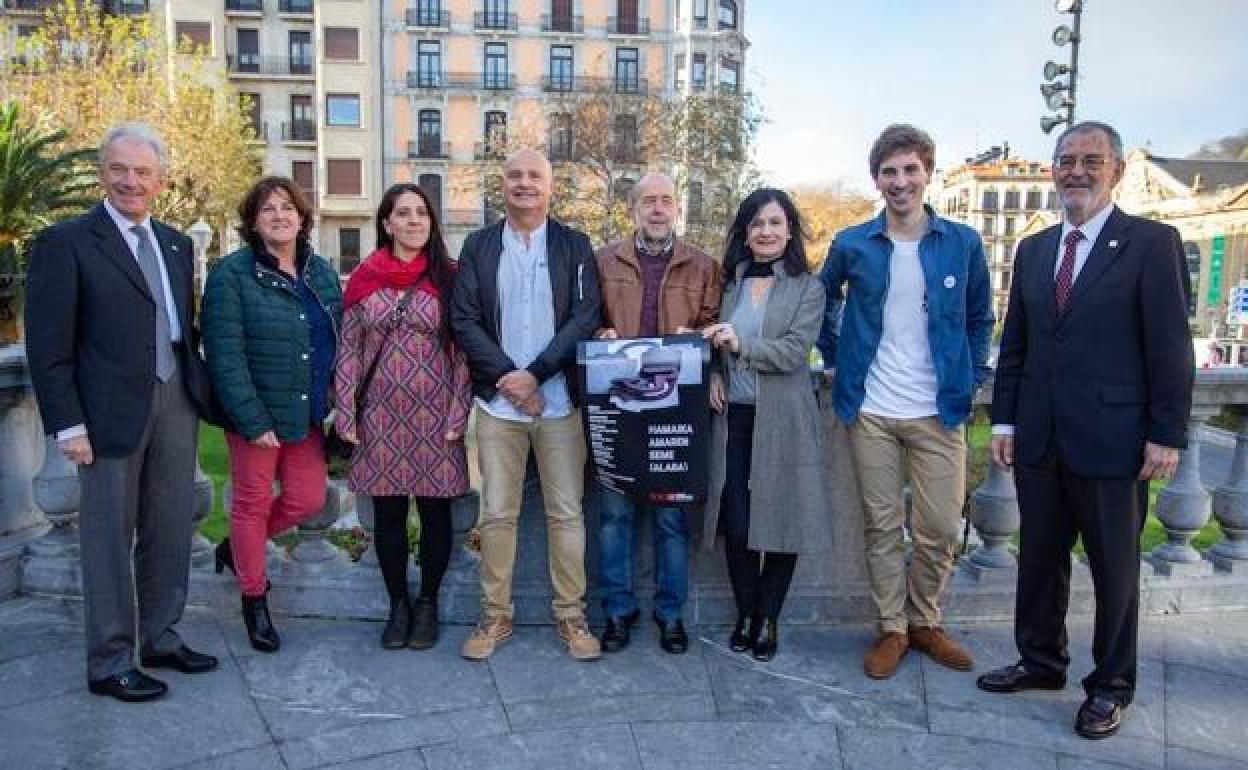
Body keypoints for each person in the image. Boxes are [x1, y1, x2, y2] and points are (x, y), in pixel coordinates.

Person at [977, 121, 1193, 740]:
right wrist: (1008, 419)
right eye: (1065, 159)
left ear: (1116, 170)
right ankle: (1041, 662)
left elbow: (1172, 349)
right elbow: (1014, 346)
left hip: (1115, 440)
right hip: (1040, 438)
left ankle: (1111, 685)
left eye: (1090, 160)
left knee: (1115, 572)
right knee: (1039, 561)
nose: (1076, 170)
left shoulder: (1152, 243)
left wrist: (1167, 434)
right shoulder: (1036, 250)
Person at [25, 122, 219, 702]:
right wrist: (68, 424)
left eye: (142, 172)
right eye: (119, 169)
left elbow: (179, 326)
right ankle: (110, 661)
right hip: (106, 414)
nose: (130, 181)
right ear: (101, 172)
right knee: (109, 538)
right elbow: (49, 344)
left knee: (170, 528)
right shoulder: (67, 243)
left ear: (159, 181)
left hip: (175, 401)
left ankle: (160, 635)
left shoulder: (178, 243)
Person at [816, 124, 993, 680]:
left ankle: (926, 621)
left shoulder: (962, 243)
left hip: (938, 408)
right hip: (870, 407)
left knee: (941, 526)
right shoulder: (852, 244)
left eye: (910, 170)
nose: (900, 181)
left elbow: (980, 316)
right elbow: (820, 304)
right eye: (889, 172)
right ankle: (893, 628)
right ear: (877, 179)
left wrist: (974, 373)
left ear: (927, 174)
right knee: (883, 525)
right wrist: (838, 355)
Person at [450, 148, 603, 661]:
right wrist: (511, 381)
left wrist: (536, 375)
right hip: (498, 407)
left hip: (559, 405)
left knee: (566, 514)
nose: (524, 184)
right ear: (503, 185)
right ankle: (495, 617)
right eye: (514, 175)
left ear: (551, 186)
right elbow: (465, 318)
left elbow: (585, 319)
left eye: (534, 176)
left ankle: (571, 617)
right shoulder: (478, 246)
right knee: (496, 515)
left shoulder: (576, 246)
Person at [201, 176, 343, 654]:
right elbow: (224, 354)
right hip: (255, 417)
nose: (280, 216)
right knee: (250, 504)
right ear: (253, 221)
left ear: (303, 218)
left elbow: (336, 339)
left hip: (305, 414)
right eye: (268, 209)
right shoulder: (231, 274)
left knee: (307, 500)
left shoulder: (320, 272)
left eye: (288, 207)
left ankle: (237, 549)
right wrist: (251, 418)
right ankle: (254, 600)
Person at [334, 183, 471, 650]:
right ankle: (398, 605)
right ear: (387, 223)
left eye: (422, 214)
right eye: (404, 213)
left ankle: (428, 603)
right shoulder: (363, 276)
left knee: (436, 514)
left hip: (436, 416)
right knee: (388, 514)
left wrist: (459, 409)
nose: (414, 221)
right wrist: (345, 410)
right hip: (379, 417)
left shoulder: (450, 277)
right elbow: (349, 347)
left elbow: (463, 353)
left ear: (432, 223)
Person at [593, 172, 722, 654]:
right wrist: (601, 332)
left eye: (666, 200)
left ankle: (671, 615)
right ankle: (618, 612)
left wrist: (709, 362)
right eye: (648, 200)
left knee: (671, 521)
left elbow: (715, 326)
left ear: (677, 209)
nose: (657, 208)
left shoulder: (703, 265)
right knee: (614, 518)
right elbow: (587, 318)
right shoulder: (604, 261)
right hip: (619, 402)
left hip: (675, 406)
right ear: (633, 209)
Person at [701, 187, 827, 662]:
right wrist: (716, 370)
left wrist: (740, 347)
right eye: (756, 224)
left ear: (789, 230)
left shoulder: (807, 288)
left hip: (785, 417)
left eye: (774, 223)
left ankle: (768, 617)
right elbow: (716, 338)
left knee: (782, 519)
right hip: (733, 415)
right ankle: (746, 611)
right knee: (736, 522)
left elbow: (795, 352)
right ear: (745, 233)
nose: (766, 232)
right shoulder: (729, 283)